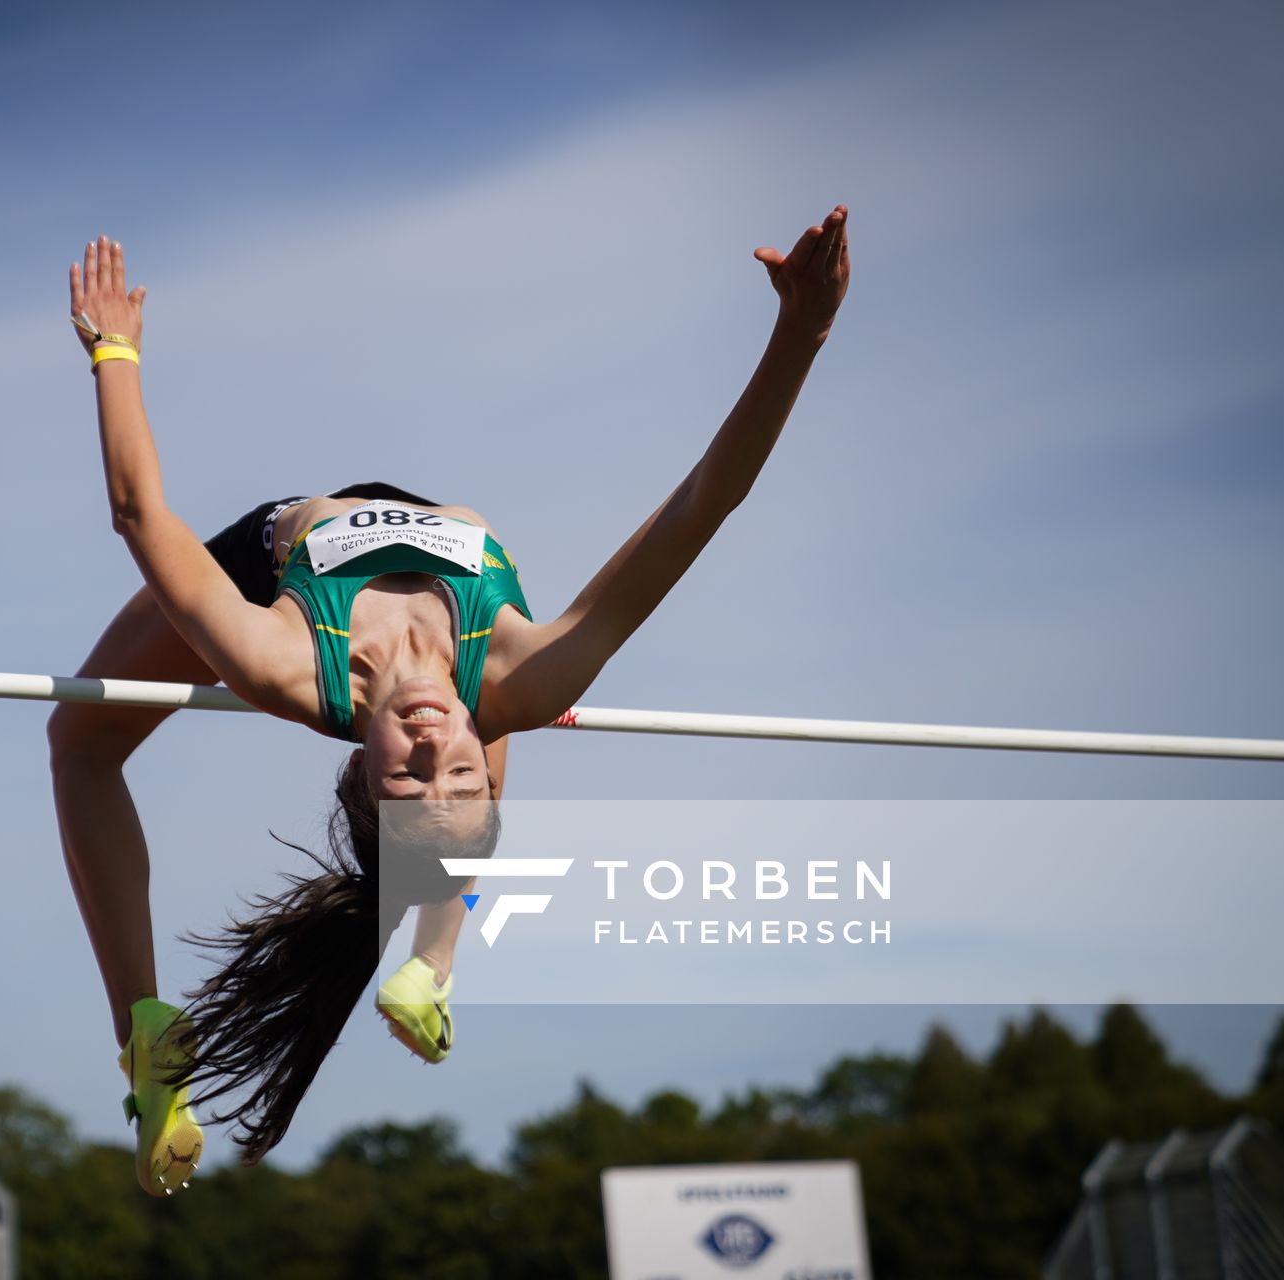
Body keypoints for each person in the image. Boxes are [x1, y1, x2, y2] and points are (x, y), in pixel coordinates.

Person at [48, 208, 851, 1195]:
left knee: (78, 740)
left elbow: (139, 512)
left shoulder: (286, 663)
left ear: (359, 769)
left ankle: (146, 1034)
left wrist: (114, 350)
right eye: (455, 764)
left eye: (409, 769)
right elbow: (703, 505)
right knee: (510, 699)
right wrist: (800, 333)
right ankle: (435, 955)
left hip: (276, 549)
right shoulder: (516, 677)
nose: (433, 739)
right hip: (451, 571)